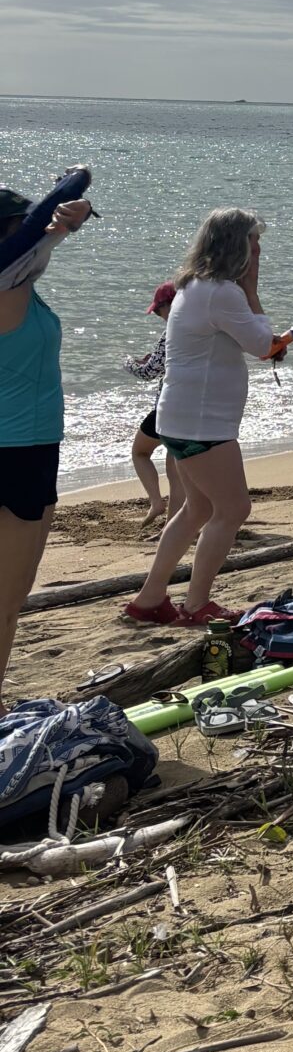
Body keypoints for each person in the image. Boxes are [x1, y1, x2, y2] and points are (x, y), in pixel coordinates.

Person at [123, 211, 292, 628]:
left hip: (179, 418)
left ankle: (149, 599)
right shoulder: (223, 293)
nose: (259, 249)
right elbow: (260, 345)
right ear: (236, 244)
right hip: (203, 424)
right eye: (254, 241)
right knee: (234, 508)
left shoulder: (192, 286)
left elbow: (250, 342)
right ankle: (197, 604)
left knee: (197, 510)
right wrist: (252, 290)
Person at [0, 173, 95, 707]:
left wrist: (59, 228)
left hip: (31, 448)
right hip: (14, 454)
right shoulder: (4, 290)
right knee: (6, 600)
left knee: (11, 597)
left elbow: (30, 254)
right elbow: (25, 253)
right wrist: (55, 223)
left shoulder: (18, 287)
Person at [127, 281, 180, 533]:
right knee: (176, 470)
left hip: (168, 407)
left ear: (169, 305)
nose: (159, 316)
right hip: (193, 406)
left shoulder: (171, 329)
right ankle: (174, 525)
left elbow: (149, 373)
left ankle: (156, 502)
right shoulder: (201, 325)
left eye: (159, 311)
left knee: (139, 452)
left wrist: (129, 364)